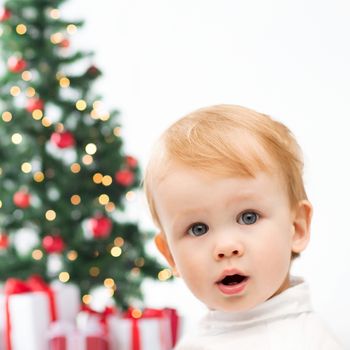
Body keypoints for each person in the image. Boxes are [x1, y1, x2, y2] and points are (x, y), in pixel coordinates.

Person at [143, 104, 343, 349]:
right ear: (170, 255)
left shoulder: (305, 341)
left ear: (297, 227)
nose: (226, 247)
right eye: (198, 228)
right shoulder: (197, 340)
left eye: (248, 217)